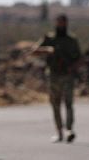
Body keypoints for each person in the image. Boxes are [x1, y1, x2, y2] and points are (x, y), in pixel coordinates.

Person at [34, 14, 82, 142]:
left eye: (63, 22)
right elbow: (34, 51)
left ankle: (69, 129)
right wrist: (47, 50)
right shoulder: (49, 38)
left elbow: (79, 59)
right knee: (55, 104)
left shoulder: (72, 40)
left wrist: (73, 68)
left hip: (67, 75)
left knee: (68, 103)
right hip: (54, 75)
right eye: (59, 22)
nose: (61, 25)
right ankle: (59, 131)